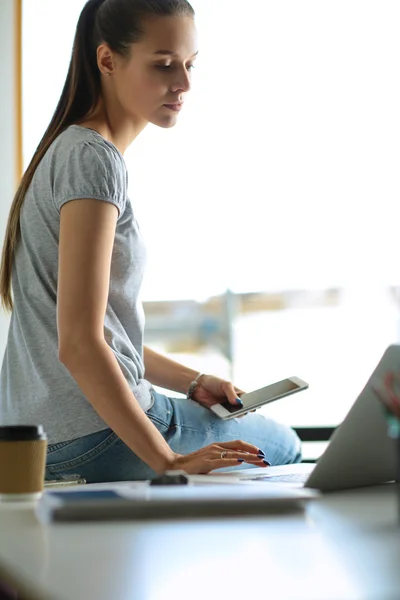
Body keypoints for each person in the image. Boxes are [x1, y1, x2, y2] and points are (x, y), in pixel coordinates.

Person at [0, 0, 301, 483]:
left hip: (39, 444)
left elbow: (100, 334)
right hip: (96, 434)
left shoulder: (66, 151)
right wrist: (169, 461)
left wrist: (195, 382)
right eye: (163, 65)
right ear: (107, 61)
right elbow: (79, 345)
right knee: (284, 445)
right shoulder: (93, 159)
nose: (183, 83)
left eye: (190, 64)